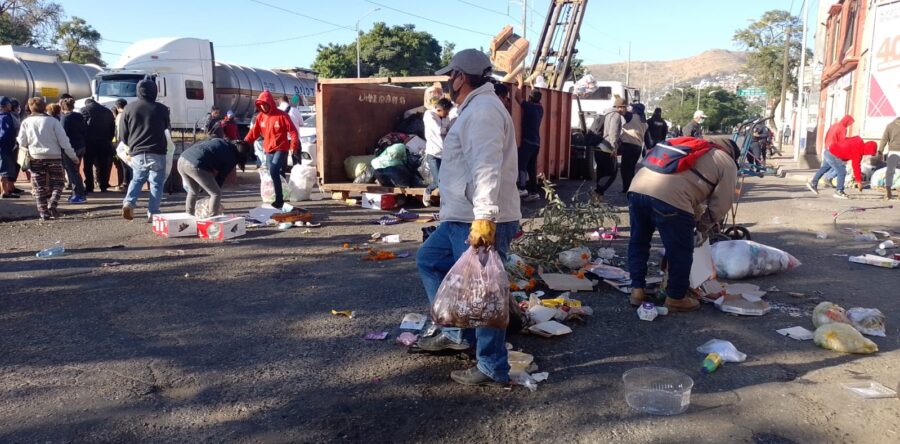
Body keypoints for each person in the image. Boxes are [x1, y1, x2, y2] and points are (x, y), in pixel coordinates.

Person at [415, 49, 521, 387]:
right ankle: (456, 332)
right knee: (430, 261)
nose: (448, 82)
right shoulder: (475, 108)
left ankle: (491, 366)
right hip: (460, 214)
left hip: (477, 217)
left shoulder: (483, 111)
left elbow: (486, 166)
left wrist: (485, 217)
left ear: (461, 77)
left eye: (451, 75)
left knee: (483, 292)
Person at [628, 136, 738, 312]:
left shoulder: (688, 146)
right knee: (680, 250)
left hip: (637, 188)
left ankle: (637, 291)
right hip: (670, 198)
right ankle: (676, 298)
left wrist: (696, 218)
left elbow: (686, 184)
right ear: (732, 153)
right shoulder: (727, 161)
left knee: (639, 242)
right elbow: (722, 204)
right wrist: (702, 228)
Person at [16, 97, 79, 220]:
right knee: (58, 183)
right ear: (44, 107)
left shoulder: (26, 122)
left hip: (35, 157)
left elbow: (22, 142)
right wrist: (73, 156)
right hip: (54, 157)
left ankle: (43, 212)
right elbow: (64, 141)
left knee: (39, 187)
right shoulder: (53, 122)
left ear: (30, 108)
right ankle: (52, 204)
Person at [119, 77, 171, 221]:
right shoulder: (162, 109)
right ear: (155, 91)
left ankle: (129, 202)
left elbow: (122, 133)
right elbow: (166, 127)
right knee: (156, 183)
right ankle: (153, 212)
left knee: (137, 179)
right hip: (157, 150)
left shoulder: (129, 108)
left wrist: (131, 144)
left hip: (137, 151)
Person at [243, 90, 298, 209]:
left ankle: (279, 199)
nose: (263, 107)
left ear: (270, 103)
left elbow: (293, 132)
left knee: (273, 171)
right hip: (268, 149)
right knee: (273, 174)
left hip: (281, 148)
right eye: (260, 105)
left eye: (265, 104)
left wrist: (293, 146)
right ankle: (278, 195)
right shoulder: (260, 117)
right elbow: (253, 132)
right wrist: (245, 142)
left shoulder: (282, 115)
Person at [177, 138, 249, 216]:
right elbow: (221, 177)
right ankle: (213, 217)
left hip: (182, 159)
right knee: (216, 193)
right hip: (196, 164)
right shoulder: (232, 157)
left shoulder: (221, 141)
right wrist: (213, 197)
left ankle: (189, 215)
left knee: (193, 191)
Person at [807, 136, 877, 199]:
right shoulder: (858, 152)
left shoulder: (858, 139)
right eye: (870, 153)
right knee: (842, 172)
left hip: (829, 150)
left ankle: (813, 183)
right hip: (834, 154)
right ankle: (839, 191)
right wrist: (859, 182)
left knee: (825, 167)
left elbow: (844, 139)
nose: (868, 154)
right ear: (868, 150)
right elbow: (856, 167)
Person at [588, 96, 626, 196]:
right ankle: (597, 192)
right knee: (612, 172)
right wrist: (614, 148)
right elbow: (613, 133)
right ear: (620, 107)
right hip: (607, 148)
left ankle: (598, 196)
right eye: (624, 107)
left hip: (598, 146)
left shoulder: (605, 113)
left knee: (601, 172)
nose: (625, 110)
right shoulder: (616, 116)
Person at [81, 97, 116, 193]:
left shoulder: (84, 110)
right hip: (104, 142)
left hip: (89, 143)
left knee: (88, 166)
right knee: (103, 165)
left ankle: (89, 186)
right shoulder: (107, 111)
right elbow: (112, 128)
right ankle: (103, 185)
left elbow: (82, 126)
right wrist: (108, 139)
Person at [422, 97, 453, 207]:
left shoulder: (445, 117)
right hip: (433, 154)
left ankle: (444, 203)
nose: (447, 114)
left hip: (444, 154)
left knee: (445, 180)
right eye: (446, 112)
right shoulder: (429, 115)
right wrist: (449, 128)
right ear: (439, 109)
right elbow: (439, 131)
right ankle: (428, 191)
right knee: (438, 181)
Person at [59, 96, 88, 203]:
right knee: (76, 170)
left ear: (62, 107)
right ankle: (78, 193)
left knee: (72, 171)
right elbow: (84, 130)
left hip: (70, 148)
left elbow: (62, 135)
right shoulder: (79, 116)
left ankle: (78, 194)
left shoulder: (64, 118)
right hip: (81, 146)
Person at [517, 88, 544, 201]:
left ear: (530, 98)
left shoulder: (529, 107)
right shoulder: (540, 109)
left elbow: (518, 97)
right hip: (536, 143)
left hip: (528, 142)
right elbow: (535, 99)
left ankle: (522, 188)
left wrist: (520, 84)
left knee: (522, 164)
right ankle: (533, 192)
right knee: (531, 168)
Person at [620, 103, 649, 192]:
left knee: (625, 169)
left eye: (632, 108)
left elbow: (621, 112)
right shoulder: (644, 121)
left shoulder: (631, 116)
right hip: (638, 147)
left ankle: (626, 188)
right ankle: (631, 188)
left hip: (628, 145)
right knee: (631, 168)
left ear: (635, 109)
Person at [878, 116, 900, 200]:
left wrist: (880, 150)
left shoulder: (890, 125)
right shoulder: (890, 125)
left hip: (893, 151)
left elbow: (884, 139)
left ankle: (888, 191)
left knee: (890, 172)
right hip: (894, 151)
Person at [0, 96, 18, 198]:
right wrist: (12, 144)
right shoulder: (5, 117)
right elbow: (5, 134)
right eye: (9, 104)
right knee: (4, 170)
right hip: (5, 148)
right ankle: (5, 192)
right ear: (6, 105)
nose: (11, 106)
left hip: (3, 147)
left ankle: (5, 190)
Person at [112, 98, 131, 191]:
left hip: (122, 142)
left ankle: (125, 183)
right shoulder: (129, 113)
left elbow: (119, 131)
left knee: (124, 164)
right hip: (130, 141)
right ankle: (127, 182)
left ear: (117, 107)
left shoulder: (120, 116)